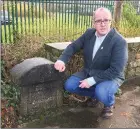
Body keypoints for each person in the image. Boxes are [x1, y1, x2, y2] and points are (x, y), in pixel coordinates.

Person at [54, 7, 128, 119]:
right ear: (94, 23)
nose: (102, 24)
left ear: (110, 21)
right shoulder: (89, 34)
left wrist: (92, 80)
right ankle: (96, 96)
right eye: (98, 21)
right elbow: (74, 46)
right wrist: (62, 59)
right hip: (89, 71)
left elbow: (115, 70)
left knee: (102, 91)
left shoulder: (119, 41)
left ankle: (109, 103)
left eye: (106, 20)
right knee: (70, 85)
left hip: (111, 76)